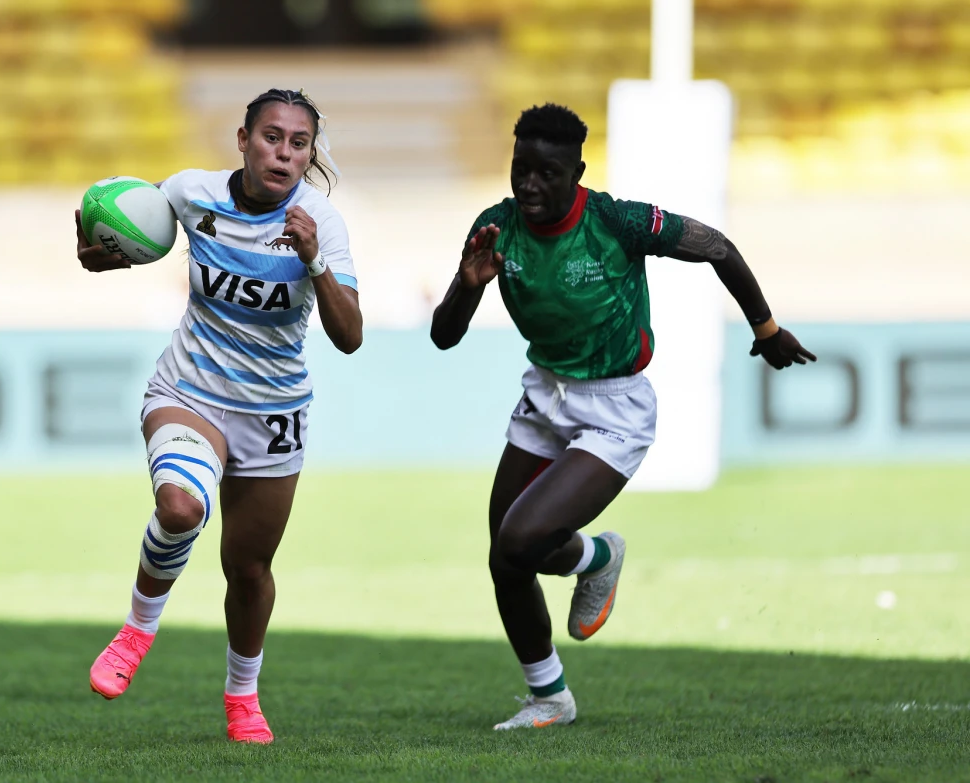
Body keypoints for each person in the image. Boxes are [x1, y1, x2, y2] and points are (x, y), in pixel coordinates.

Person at [429, 103, 814, 731]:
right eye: (519, 169)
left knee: (519, 540)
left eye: (546, 174)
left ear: (576, 172)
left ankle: (588, 575)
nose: (528, 185)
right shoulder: (496, 228)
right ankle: (555, 677)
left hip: (614, 407)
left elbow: (717, 247)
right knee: (507, 556)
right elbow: (444, 336)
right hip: (544, 396)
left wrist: (765, 328)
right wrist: (468, 284)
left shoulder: (615, 220)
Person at [74, 89, 362, 744]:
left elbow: (350, 335)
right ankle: (136, 631)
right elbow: (127, 221)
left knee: (249, 568)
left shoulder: (321, 221)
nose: (284, 152)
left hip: (274, 412)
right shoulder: (191, 193)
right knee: (180, 508)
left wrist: (314, 257)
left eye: (298, 143)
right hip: (191, 389)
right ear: (242, 139)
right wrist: (99, 244)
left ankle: (242, 696)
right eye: (271, 137)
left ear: (309, 153)